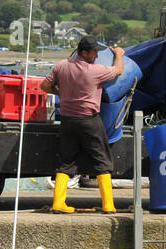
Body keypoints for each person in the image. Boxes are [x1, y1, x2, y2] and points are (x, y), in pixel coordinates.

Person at [40, 36, 123, 214]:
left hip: (68, 120)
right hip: (89, 120)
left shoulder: (61, 66)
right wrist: (119, 55)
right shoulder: (95, 71)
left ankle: (58, 203)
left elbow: (44, 85)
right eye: (94, 52)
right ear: (84, 53)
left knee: (66, 160)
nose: (96, 56)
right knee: (102, 159)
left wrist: (60, 92)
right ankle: (108, 205)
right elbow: (118, 71)